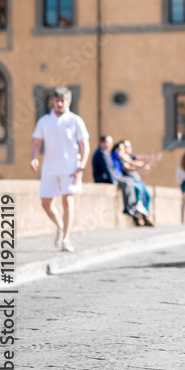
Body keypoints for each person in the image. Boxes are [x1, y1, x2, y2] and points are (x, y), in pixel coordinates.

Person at [31, 87, 90, 252]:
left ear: (68, 102)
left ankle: (65, 239)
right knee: (46, 204)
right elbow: (36, 144)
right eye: (57, 101)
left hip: (70, 168)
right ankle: (60, 226)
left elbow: (85, 145)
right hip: (49, 168)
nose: (59, 104)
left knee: (67, 201)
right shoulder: (44, 121)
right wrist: (34, 158)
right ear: (53, 102)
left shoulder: (75, 120)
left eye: (62, 101)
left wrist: (81, 168)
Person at [92, 135, 148, 226]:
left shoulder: (105, 152)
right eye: (107, 143)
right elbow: (108, 169)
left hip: (113, 177)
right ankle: (129, 208)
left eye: (110, 143)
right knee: (127, 183)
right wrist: (114, 181)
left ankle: (133, 207)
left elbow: (132, 158)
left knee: (130, 183)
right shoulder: (102, 153)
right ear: (102, 143)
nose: (110, 145)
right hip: (105, 178)